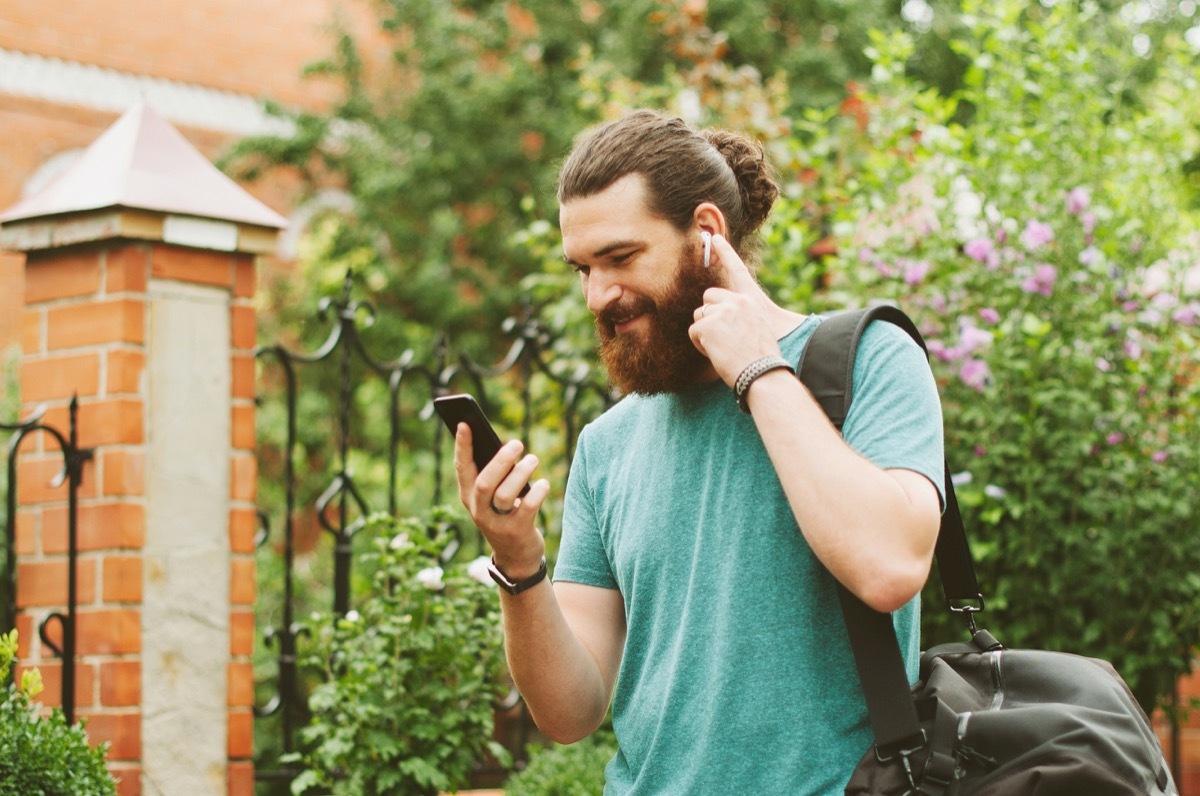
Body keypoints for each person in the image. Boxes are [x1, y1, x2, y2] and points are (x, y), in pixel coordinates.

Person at [452, 109, 945, 794]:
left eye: (620, 258)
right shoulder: (608, 445)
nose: (597, 295)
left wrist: (758, 371)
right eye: (583, 269)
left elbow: (889, 567)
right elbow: (569, 712)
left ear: (707, 232)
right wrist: (517, 562)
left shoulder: (871, 360)